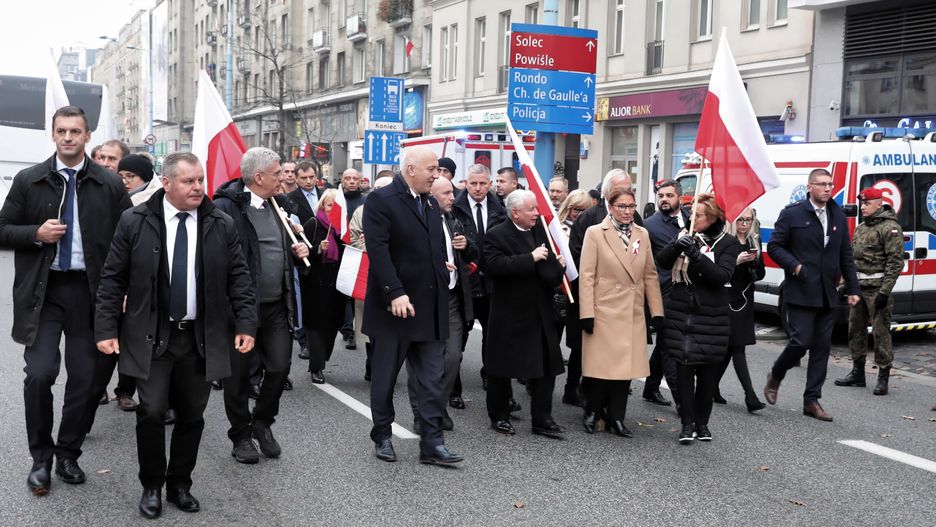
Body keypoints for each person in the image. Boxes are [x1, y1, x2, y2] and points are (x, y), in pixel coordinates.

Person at [94, 152, 257, 518]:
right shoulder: (134, 221)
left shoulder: (221, 222)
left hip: (199, 336)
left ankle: (179, 484)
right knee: (151, 411)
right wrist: (105, 328)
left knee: (191, 415)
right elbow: (112, 279)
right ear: (166, 183)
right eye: (188, 181)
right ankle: (151, 485)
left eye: (200, 180)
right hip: (151, 335)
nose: (198, 187)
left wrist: (246, 324)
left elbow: (240, 278)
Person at [0, 106, 131, 496]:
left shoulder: (109, 184)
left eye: (76, 131)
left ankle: (67, 453)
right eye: (62, 131)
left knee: (87, 380)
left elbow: (130, 239)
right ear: (53, 135)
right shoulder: (30, 180)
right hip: (44, 292)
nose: (68, 137)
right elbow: (3, 229)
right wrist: (36, 233)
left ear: (87, 135)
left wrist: (124, 290)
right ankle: (40, 460)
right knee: (39, 375)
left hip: (91, 295)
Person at [362, 145, 463, 466]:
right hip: (395, 309)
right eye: (432, 169)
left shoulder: (431, 205)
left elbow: (432, 249)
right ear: (411, 170)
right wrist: (394, 292)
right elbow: (378, 252)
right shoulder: (381, 201)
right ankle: (383, 435)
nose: (438, 174)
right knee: (385, 378)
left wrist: (441, 267)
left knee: (433, 379)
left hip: (429, 309)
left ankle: (432, 444)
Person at [213, 147, 310, 464]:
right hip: (240, 309)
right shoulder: (226, 209)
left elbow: (279, 253)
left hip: (276, 305)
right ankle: (240, 434)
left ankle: (262, 422)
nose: (283, 177)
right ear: (258, 177)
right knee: (238, 376)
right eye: (277, 172)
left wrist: (296, 254)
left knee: (280, 367)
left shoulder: (278, 205)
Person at [765, 168, 860, 422]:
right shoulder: (793, 213)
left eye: (830, 184)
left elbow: (845, 255)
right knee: (800, 342)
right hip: (800, 290)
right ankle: (776, 373)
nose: (828, 188)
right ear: (810, 187)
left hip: (828, 293)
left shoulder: (837, 214)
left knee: (821, 348)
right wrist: (795, 265)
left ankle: (812, 400)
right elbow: (774, 246)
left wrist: (853, 288)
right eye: (822, 184)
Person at [579, 188, 663, 438]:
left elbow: (650, 273)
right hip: (603, 310)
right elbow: (587, 276)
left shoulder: (642, 234)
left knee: (624, 372)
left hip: (632, 311)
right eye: (622, 206)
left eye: (631, 206)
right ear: (610, 207)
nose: (628, 211)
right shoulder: (595, 233)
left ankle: (617, 417)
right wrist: (586, 313)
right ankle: (593, 411)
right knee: (602, 369)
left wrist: (656, 311)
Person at [656, 194, 741, 444]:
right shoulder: (686, 233)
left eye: (699, 215)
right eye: (692, 214)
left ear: (713, 217)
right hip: (682, 312)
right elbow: (661, 262)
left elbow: (720, 275)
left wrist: (695, 254)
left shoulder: (729, 243)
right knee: (683, 368)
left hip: (711, 316)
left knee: (707, 374)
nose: (693, 218)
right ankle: (686, 422)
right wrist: (677, 246)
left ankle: (702, 422)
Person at [484, 190, 567, 437]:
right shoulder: (496, 235)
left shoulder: (540, 230)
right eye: (531, 209)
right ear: (515, 213)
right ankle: (499, 416)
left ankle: (542, 419)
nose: (536, 213)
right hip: (509, 312)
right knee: (501, 369)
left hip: (540, 310)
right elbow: (495, 266)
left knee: (547, 367)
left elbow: (551, 273)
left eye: (536, 208)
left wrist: (557, 267)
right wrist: (530, 258)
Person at [566, 169, 643, 407]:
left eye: (630, 188)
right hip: (594, 296)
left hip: (623, 300)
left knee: (618, 349)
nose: (627, 192)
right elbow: (577, 258)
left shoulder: (635, 218)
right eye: (622, 187)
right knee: (584, 348)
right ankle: (575, 390)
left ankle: (610, 399)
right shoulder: (589, 218)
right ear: (607, 192)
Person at [407, 176, 477, 433]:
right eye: (447, 193)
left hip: (451, 298)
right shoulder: (417, 220)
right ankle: (421, 413)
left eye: (452, 192)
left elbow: (474, 253)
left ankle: (436, 407)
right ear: (431, 196)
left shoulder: (453, 218)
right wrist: (433, 265)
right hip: (423, 299)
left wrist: (466, 246)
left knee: (452, 357)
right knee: (421, 361)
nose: (453, 197)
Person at [451, 163, 515, 409]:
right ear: (465, 183)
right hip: (464, 283)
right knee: (458, 341)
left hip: (493, 283)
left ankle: (495, 382)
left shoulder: (501, 208)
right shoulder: (455, 207)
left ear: (490, 184)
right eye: (473, 183)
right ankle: (453, 390)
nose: (478, 188)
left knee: (495, 338)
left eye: (482, 184)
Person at [835, 187, 903, 396]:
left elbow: (895, 262)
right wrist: (843, 284)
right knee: (855, 329)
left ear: (878, 203)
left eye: (866, 203)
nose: (862, 207)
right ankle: (858, 373)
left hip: (877, 290)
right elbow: (851, 260)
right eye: (862, 203)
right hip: (858, 289)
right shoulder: (862, 228)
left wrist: (885, 292)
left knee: (881, 333)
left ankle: (883, 377)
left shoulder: (890, 228)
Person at [713, 207, 767, 413]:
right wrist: (736, 262)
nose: (744, 224)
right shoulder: (725, 241)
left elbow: (759, 275)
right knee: (737, 347)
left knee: (731, 348)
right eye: (741, 220)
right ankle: (750, 396)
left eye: (748, 220)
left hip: (745, 299)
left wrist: (755, 263)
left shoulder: (754, 241)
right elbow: (717, 270)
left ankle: (712, 387)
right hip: (728, 297)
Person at [642, 179, 689, 407]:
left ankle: (651, 387)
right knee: (671, 346)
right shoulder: (649, 226)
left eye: (669, 195)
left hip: (686, 292)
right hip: (662, 293)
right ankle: (682, 403)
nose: (664, 200)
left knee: (665, 343)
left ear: (680, 197)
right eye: (661, 196)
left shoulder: (691, 218)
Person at [348, 176, 394, 380]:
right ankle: (372, 362)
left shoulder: (400, 211)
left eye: (384, 188)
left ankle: (386, 364)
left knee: (392, 324)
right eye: (376, 188)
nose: (379, 192)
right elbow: (354, 239)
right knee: (370, 323)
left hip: (396, 274)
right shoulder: (361, 212)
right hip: (368, 272)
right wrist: (376, 248)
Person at [300, 189, 347, 384]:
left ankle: (322, 358)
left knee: (333, 325)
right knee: (316, 326)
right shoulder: (313, 223)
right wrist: (318, 249)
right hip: (315, 285)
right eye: (329, 205)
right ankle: (316, 366)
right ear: (322, 205)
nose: (331, 210)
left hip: (337, 284)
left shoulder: (343, 228)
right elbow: (300, 254)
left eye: (335, 207)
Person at [339, 168, 366, 351]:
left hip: (359, 252)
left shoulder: (366, 202)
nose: (351, 181)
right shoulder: (338, 200)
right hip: (340, 251)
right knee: (344, 295)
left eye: (354, 178)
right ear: (342, 181)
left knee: (356, 295)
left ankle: (353, 333)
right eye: (347, 178)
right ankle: (347, 330)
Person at [288, 161, 322, 226]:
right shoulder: (290, 198)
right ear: (296, 178)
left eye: (311, 177)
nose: (308, 181)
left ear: (316, 177)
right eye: (304, 178)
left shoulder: (325, 194)